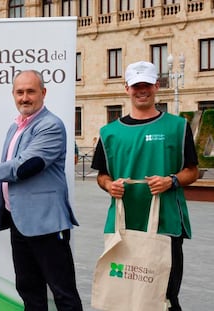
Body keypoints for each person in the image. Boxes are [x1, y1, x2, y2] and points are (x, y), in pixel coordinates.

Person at [0, 70, 83, 311]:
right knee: (29, 291)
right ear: (13, 95)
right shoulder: (16, 126)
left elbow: (27, 166)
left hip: (47, 224)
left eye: (31, 91)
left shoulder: (51, 125)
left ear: (43, 93)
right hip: (20, 221)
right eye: (20, 92)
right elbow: (14, 163)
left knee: (63, 293)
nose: (25, 97)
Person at [91, 61, 199, 311]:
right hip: (123, 226)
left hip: (166, 224)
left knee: (165, 296)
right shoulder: (109, 133)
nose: (142, 90)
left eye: (147, 85)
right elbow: (102, 175)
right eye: (136, 85)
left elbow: (192, 171)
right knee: (125, 295)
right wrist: (109, 186)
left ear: (156, 86)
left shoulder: (177, 126)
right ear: (126, 87)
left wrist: (170, 181)